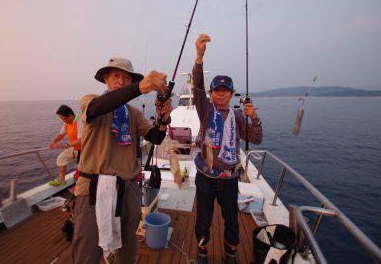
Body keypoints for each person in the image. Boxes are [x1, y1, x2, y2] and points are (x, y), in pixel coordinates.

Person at [72, 57, 173, 264]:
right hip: (93, 188)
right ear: (106, 79)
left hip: (128, 189)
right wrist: (140, 87)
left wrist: (163, 120)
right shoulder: (91, 102)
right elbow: (98, 107)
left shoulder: (133, 113)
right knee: (87, 249)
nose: (121, 80)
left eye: (126, 77)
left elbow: (155, 137)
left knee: (127, 247)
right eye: (116, 75)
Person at [192, 34, 263, 264]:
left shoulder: (239, 117)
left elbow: (256, 138)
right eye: (217, 90)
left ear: (231, 95)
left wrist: (255, 119)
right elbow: (197, 87)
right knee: (203, 219)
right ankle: (202, 254)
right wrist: (199, 57)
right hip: (205, 176)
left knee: (231, 219)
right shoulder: (205, 111)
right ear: (211, 94)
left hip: (229, 178)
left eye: (225, 90)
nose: (221, 94)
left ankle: (230, 253)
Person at [49, 105, 82, 186]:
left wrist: (65, 145)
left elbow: (81, 140)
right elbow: (61, 135)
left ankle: (81, 184)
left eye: (63, 119)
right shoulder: (66, 123)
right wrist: (53, 142)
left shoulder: (80, 122)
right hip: (74, 147)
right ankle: (62, 180)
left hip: (84, 149)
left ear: (70, 116)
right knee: (61, 159)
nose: (63, 121)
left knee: (82, 169)